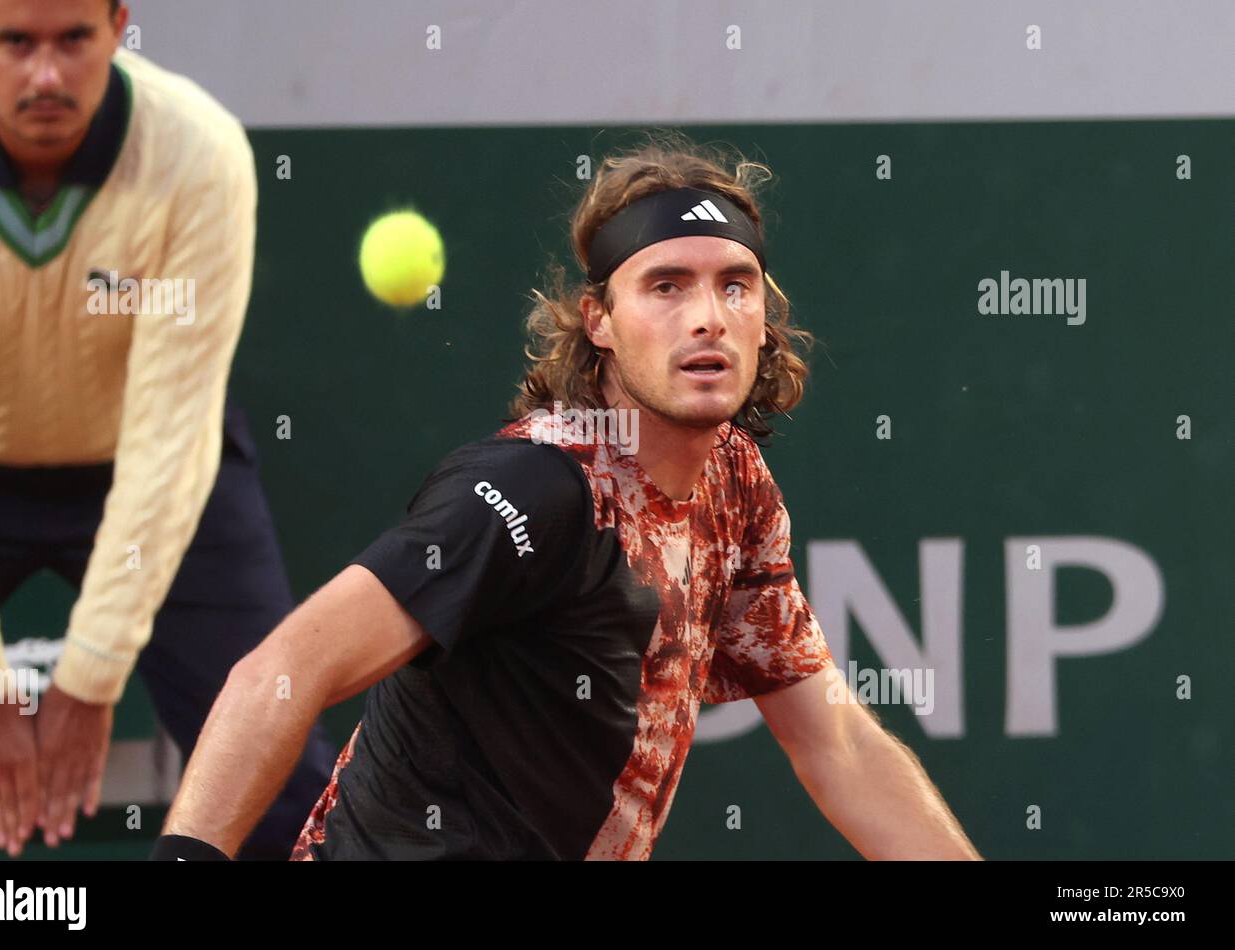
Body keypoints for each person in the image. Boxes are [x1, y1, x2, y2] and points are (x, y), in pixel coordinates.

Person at [154, 135, 981, 861]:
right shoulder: (534, 489)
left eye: (735, 284)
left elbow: (835, 743)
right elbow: (285, 668)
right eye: (665, 286)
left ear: (765, 317)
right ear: (599, 322)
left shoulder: (737, 486)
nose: (708, 317)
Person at [0, 0, 335, 859]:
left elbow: (169, 432)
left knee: (279, 774)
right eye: (16, 42)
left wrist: (89, 675)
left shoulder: (196, 149)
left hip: (161, 468)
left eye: (74, 39)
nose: (46, 75)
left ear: (120, 27)